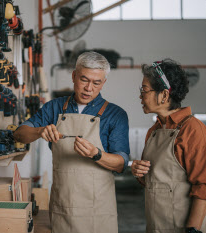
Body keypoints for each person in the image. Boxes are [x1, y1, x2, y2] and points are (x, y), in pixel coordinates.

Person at [14, 51, 130, 233]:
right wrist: (40, 130)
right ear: (74, 76)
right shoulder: (54, 107)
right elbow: (19, 135)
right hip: (63, 206)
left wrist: (96, 154)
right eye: (84, 80)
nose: (89, 88)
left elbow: (121, 164)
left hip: (98, 209)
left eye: (96, 82)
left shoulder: (116, 115)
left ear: (103, 83)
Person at [131, 59, 206, 233]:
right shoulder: (154, 131)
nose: (141, 95)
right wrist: (138, 172)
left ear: (164, 95)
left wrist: (192, 230)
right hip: (157, 224)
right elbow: (155, 181)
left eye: (145, 90)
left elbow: (205, 186)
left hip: (186, 227)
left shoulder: (193, 131)